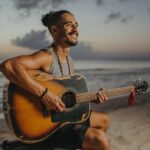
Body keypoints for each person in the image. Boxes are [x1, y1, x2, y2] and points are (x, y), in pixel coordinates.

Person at [0, 10, 110, 150]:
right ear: (54, 30)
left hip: (63, 119)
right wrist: (44, 94)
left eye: (76, 25)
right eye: (69, 25)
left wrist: (91, 98)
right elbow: (8, 66)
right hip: (48, 125)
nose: (76, 29)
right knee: (99, 139)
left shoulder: (70, 62)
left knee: (104, 120)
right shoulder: (46, 56)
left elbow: (65, 97)